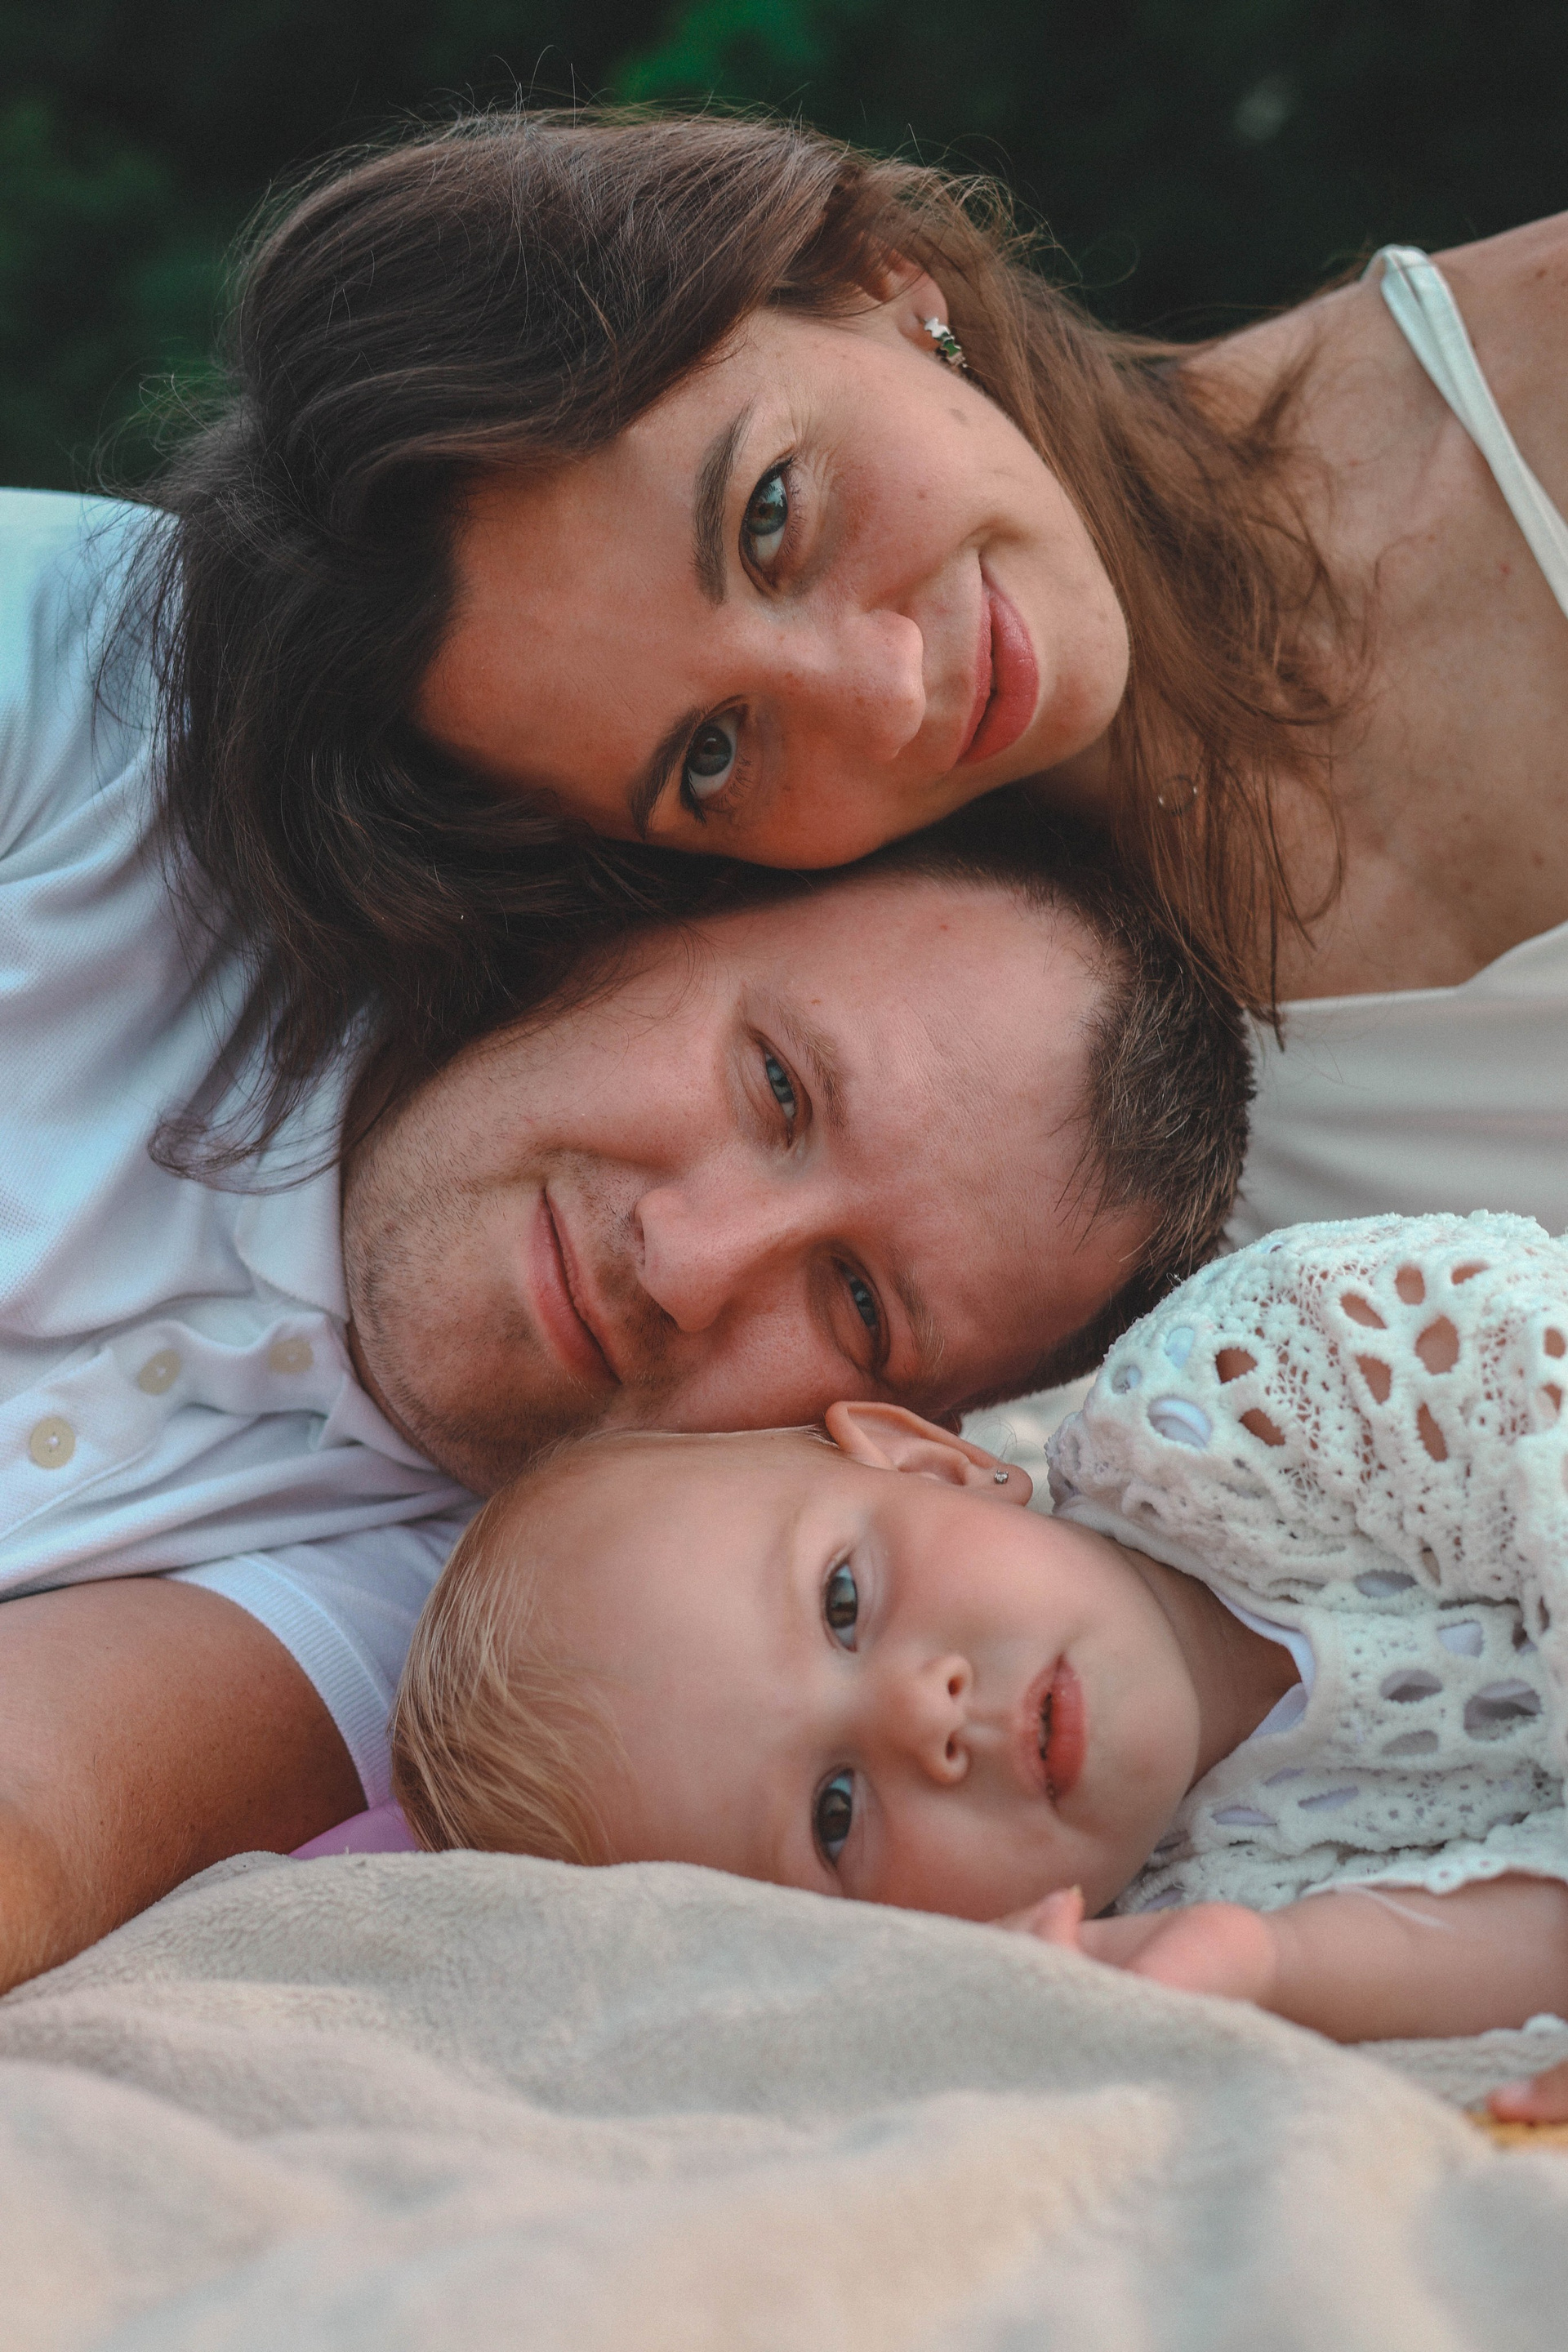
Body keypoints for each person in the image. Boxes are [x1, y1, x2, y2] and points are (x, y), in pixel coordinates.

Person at [0, 486, 1250, 1992]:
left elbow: (40, 1808)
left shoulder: (530, 1647)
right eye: (776, 1088)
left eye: (856, 1305)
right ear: (663, 905)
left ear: (886, 1439)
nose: (688, 1259)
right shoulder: (127, 699)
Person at [132, 110, 1568, 1242]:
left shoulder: (1535, 375)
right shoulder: (1022, 1170)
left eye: (771, 514)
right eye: (712, 755)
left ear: (874, 278)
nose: (883, 692)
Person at [390, 1209, 1568, 2065]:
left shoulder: (1246, 1395)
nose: (922, 1714)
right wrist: (1268, 1965)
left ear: (934, 1463)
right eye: (834, 1814)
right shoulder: (1180, 1892)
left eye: (843, 1604)